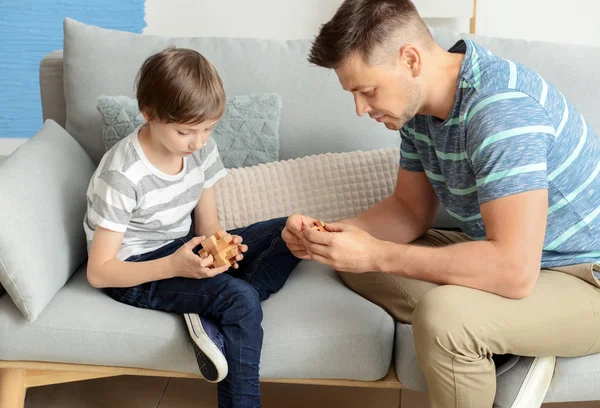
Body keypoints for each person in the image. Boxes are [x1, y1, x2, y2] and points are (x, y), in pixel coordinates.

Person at [282, 1, 600, 407]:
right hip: (516, 261)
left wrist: (378, 254)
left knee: (445, 317)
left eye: (367, 90)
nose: (360, 109)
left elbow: (515, 270)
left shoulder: (499, 109)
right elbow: (408, 212)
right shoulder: (417, 112)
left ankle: (475, 332)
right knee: (351, 263)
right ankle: (501, 341)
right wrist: (328, 236)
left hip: (581, 276)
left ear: (410, 59)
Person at [84, 47, 300, 408]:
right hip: (135, 269)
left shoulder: (200, 149)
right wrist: (174, 266)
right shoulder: (121, 175)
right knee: (242, 301)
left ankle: (211, 311)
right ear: (149, 114)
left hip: (182, 247)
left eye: (208, 128)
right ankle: (225, 316)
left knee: (290, 232)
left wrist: (223, 244)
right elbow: (99, 272)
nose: (199, 142)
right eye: (186, 131)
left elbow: (208, 224)